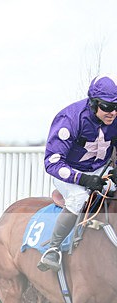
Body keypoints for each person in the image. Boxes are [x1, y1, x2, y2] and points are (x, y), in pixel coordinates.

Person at [38, 74, 117, 272]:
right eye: (107, 107)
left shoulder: (114, 116)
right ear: (93, 103)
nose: (113, 112)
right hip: (69, 172)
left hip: (100, 169)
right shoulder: (69, 119)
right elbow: (52, 161)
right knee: (79, 197)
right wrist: (82, 178)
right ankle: (53, 249)